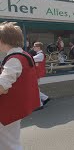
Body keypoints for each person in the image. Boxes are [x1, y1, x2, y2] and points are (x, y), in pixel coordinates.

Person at [0, 22, 40, 150]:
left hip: (7, 109)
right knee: (11, 143)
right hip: (15, 107)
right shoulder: (24, 55)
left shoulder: (14, 59)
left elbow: (2, 86)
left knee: (9, 145)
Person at [33, 42, 50, 110]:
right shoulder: (39, 54)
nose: (33, 47)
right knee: (35, 89)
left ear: (39, 47)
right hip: (36, 74)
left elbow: (30, 59)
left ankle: (40, 104)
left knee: (35, 89)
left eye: (34, 46)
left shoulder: (40, 55)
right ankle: (45, 98)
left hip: (37, 75)